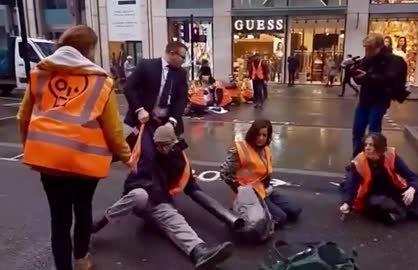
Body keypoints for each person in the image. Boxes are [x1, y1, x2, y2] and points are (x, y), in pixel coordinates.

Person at [17, 25, 132, 270]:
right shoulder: (100, 81)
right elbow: (112, 129)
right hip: (84, 161)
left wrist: (30, 145)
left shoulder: (40, 74)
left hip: (49, 161)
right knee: (82, 210)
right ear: (88, 49)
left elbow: (22, 117)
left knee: (58, 220)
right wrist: (126, 157)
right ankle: (81, 259)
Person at [92, 124, 234, 269]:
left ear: (173, 143)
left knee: (176, 220)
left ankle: (199, 252)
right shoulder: (147, 155)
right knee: (139, 195)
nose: (161, 149)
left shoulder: (179, 160)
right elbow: (130, 178)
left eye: (165, 145)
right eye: (158, 145)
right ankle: (101, 222)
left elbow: (191, 186)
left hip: (160, 201)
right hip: (141, 196)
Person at [123, 41, 189, 187]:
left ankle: (165, 189)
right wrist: (139, 110)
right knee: (147, 155)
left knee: (173, 158)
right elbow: (129, 88)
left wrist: (172, 122)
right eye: (182, 57)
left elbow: (181, 99)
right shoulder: (147, 66)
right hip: (146, 121)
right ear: (172, 53)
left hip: (167, 122)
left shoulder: (181, 74)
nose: (184, 61)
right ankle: (139, 190)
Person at [220, 119, 302, 228]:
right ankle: (240, 211)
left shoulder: (265, 149)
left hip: (266, 190)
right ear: (252, 133)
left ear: (268, 136)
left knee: (295, 211)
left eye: (264, 135)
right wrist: (240, 191)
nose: (260, 138)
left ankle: (268, 209)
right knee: (282, 219)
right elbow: (224, 173)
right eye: (258, 134)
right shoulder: (240, 150)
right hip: (252, 195)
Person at [339, 133, 418, 225]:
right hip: (372, 195)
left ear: (380, 148)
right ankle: (400, 211)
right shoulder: (359, 162)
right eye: (366, 144)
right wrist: (347, 203)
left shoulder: (391, 156)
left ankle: (398, 212)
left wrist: (412, 189)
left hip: (392, 190)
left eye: (371, 145)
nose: (367, 148)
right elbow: (351, 185)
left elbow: (412, 176)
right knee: (379, 203)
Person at [351, 33, 406, 157]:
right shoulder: (367, 59)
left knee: (374, 130)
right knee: (358, 130)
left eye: (369, 48)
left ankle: (374, 157)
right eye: (366, 48)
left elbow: (390, 78)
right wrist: (356, 74)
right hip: (365, 99)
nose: (367, 51)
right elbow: (360, 79)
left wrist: (368, 76)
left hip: (380, 98)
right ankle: (357, 158)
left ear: (379, 47)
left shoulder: (392, 60)